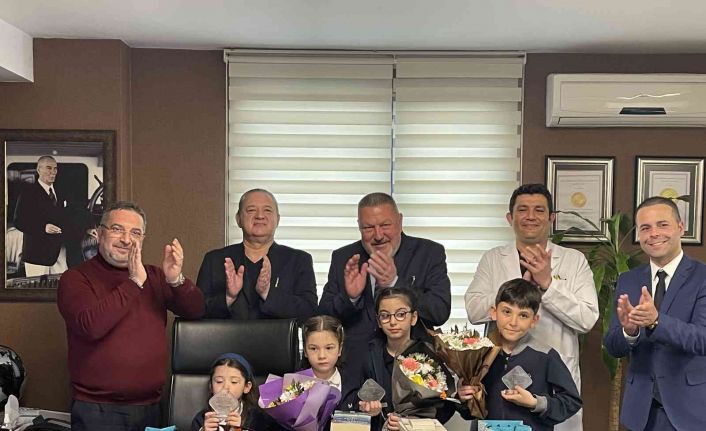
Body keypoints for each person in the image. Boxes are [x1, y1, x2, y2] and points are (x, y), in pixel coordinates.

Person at [57, 201, 205, 431]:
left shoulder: (154, 276)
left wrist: (176, 280)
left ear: (142, 239)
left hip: (150, 407)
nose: (126, 239)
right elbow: (91, 326)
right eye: (117, 229)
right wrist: (134, 282)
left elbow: (196, 310)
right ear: (99, 233)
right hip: (97, 409)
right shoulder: (75, 278)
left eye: (135, 233)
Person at [464, 183, 597, 431]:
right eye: (523, 209)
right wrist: (515, 289)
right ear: (510, 218)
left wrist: (547, 285)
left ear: (551, 218)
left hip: (553, 375)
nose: (531, 216)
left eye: (539, 210)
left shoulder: (574, 260)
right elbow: (473, 310)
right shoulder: (493, 259)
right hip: (499, 373)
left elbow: (587, 319)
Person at [319, 192, 451, 384]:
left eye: (385, 225)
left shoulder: (429, 253)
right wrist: (350, 298)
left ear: (400, 221)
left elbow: (439, 311)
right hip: (355, 370)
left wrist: (395, 282)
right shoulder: (344, 257)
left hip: (414, 370)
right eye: (368, 228)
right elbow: (323, 318)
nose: (378, 236)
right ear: (359, 227)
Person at [604, 196, 706, 431]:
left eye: (662, 225)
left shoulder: (702, 277)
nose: (654, 234)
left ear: (681, 227)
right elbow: (613, 346)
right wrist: (629, 332)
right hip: (641, 414)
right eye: (645, 228)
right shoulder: (628, 280)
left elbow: (702, 339)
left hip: (690, 412)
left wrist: (656, 321)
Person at [459, 278, 582, 431]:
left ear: (534, 320)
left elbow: (571, 401)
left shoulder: (546, 356)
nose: (513, 322)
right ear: (494, 312)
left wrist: (535, 403)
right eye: (507, 312)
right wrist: (463, 398)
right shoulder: (478, 353)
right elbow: (468, 411)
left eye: (523, 315)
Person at [197, 188, 317, 321]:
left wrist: (267, 293)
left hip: (277, 335)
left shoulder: (298, 260)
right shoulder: (214, 260)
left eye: (267, 210)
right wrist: (229, 297)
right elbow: (198, 310)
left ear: (278, 219)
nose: (260, 216)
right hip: (224, 335)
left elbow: (309, 310)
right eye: (251, 210)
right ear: (238, 219)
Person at [359, 287, 455, 431]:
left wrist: (413, 423)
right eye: (385, 316)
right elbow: (356, 403)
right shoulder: (368, 357)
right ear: (378, 321)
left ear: (413, 318)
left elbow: (446, 406)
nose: (392, 322)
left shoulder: (429, 356)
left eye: (401, 314)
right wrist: (370, 411)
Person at [191, 353, 279, 431]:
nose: (225, 387)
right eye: (219, 381)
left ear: (246, 387)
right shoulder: (201, 419)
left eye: (234, 382)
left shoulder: (258, 419)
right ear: (211, 386)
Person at [13, 155, 68, 276]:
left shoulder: (60, 191)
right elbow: (19, 221)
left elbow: (68, 216)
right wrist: (43, 227)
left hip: (59, 254)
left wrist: (87, 228)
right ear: (39, 170)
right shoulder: (28, 192)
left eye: (55, 168)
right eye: (49, 168)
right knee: (37, 286)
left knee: (61, 285)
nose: (53, 172)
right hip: (36, 256)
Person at [300, 315, 359, 417]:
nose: (322, 356)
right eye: (313, 348)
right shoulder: (294, 384)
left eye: (329, 348)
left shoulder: (355, 384)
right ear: (305, 351)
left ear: (340, 349)